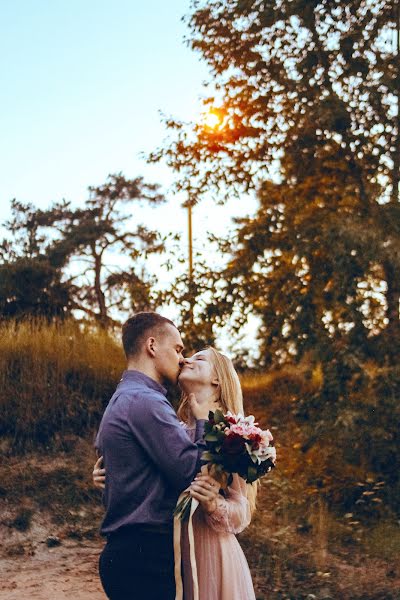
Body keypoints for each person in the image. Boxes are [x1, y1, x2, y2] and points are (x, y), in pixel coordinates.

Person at [94, 344, 257, 600]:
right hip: (172, 553)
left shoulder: (232, 435)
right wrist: (113, 475)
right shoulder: (174, 428)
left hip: (212, 557)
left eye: (199, 358)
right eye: (187, 355)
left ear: (217, 379)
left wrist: (214, 505)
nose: (185, 360)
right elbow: (158, 478)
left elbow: (242, 511)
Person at [94, 312, 209, 600]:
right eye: (178, 348)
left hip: (131, 555)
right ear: (152, 346)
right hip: (144, 559)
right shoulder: (145, 401)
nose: (182, 358)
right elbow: (188, 472)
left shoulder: (126, 396)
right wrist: (205, 424)